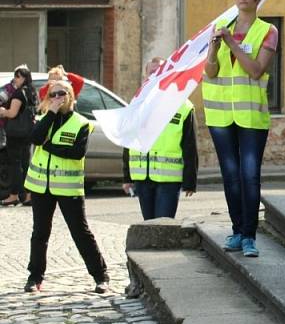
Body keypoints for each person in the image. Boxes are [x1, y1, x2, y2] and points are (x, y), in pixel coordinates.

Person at [202, 0, 278, 258]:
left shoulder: (267, 30)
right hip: (220, 115)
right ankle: (236, 231)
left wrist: (232, 45)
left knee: (249, 175)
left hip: (251, 117)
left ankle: (250, 236)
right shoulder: (221, 28)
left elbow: (256, 69)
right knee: (230, 176)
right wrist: (214, 49)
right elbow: (210, 72)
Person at [23, 78, 109, 293]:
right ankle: (35, 278)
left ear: (71, 97)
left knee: (80, 232)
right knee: (40, 233)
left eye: (62, 94)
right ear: (47, 98)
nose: (58, 98)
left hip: (68, 187)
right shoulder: (43, 118)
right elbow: (35, 138)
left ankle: (101, 276)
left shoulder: (81, 123)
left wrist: (49, 146)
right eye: (53, 94)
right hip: (41, 186)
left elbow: (77, 152)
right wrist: (51, 113)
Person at [122, 57, 198, 220]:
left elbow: (190, 146)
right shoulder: (137, 103)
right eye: (152, 72)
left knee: (163, 225)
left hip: (169, 179)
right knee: (149, 224)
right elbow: (129, 141)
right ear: (145, 77)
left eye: (161, 72)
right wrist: (127, 177)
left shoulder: (183, 106)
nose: (156, 76)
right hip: (142, 178)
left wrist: (190, 180)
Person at [0, 64, 38, 206]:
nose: (15, 79)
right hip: (28, 133)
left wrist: (3, 111)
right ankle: (28, 195)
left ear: (23, 77)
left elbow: (12, 113)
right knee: (25, 163)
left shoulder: (18, 93)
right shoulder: (32, 92)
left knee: (15, 165)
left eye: (17, 76)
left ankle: (13, 195)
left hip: (15, 134)